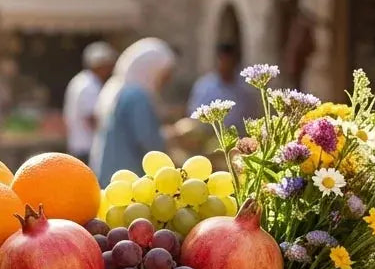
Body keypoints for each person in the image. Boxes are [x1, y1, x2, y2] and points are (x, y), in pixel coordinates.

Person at [91, 37, 175, 185]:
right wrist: (174, 135)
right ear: (151, 69)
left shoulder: (118, 88)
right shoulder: (137, 96)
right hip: (129, 180)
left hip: (111, 176)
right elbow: (149, 142)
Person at [186, 42, 257, 132]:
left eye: (229, 62)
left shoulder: (245, 88)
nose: (226, 65)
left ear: (235, 62)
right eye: (223, 61)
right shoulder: (204, 86)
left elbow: (252, 114)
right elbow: (193, 114)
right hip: (210, 137)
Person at [63, 42, 116, 161]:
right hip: (86, 147)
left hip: (78, 144)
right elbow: (92, 118)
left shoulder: (81, 80)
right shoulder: (89, 86)